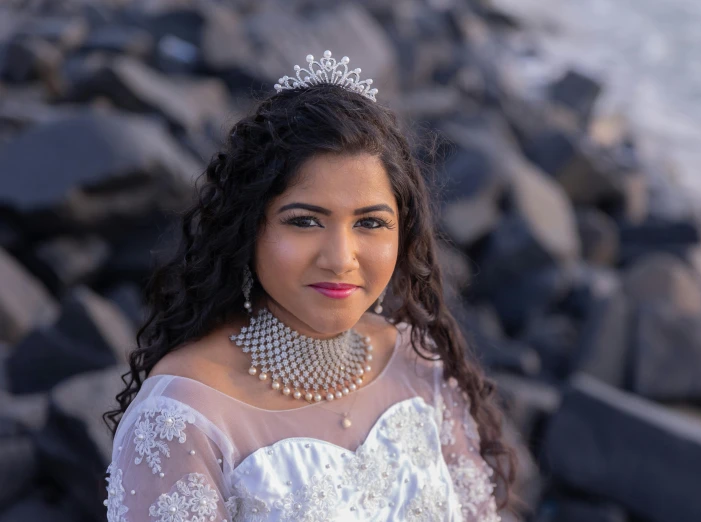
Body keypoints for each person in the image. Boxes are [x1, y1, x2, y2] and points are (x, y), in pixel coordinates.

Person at [103, 50, 517, 522]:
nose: (340, 258)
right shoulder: (183, 417)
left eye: (370, 223)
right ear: (248, 228)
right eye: (304, 221)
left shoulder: (417, 361)